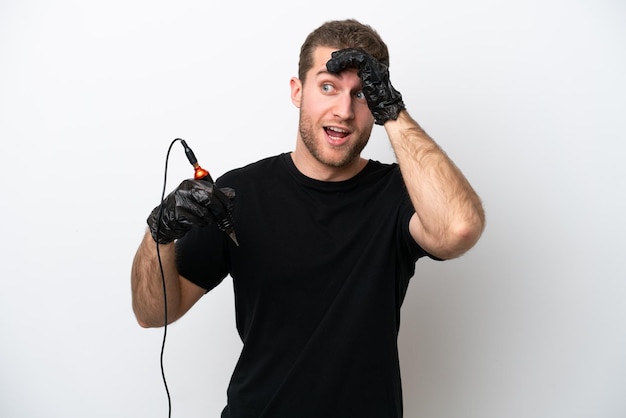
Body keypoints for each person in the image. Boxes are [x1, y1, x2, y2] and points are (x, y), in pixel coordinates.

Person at [131, 18, 485, 418]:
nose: (344, 110)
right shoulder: (239, 193)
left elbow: (458, 228)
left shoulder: (400, 194)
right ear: (297, 91)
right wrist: (159, 232)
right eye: (328, 87)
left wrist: (394, 112)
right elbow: (152, 313)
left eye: (363, 94)